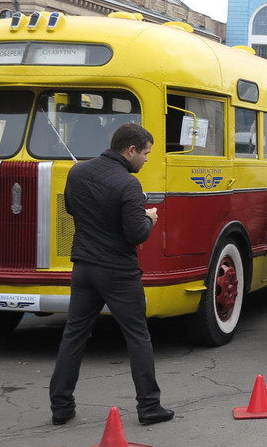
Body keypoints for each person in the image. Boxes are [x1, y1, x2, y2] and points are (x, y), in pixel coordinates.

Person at [49, 123, 174, 427]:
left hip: (83, 267)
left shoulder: (77, 172)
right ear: (131, 150)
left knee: (74, 335)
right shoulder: (128, 184)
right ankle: (149, 407)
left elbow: (70, 208)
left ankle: (61, 407)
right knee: (137, 335)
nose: (146, 159)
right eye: (145, 153)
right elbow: (135, 235)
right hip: (118, 271)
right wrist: (149, 218)